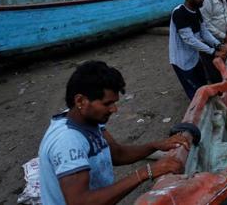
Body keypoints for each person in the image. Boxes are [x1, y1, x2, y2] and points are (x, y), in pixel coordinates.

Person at [38, 61, 192, 204]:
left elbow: (116, 154)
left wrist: (155, 146)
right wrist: (146, 172)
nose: (114, 109)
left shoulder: (85, 119)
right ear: (80, 101)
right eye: (107, 103)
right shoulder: (68, 141)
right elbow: (80, 202)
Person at [169, 0, 227, 99]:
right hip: (181, 60)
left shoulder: (196, 10)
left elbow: (204, 32)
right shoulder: (179, 13)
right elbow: (190, 40)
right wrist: (213, 52)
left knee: (203, 84)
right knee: (195, 93)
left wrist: (218, 45)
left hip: (194, 56)